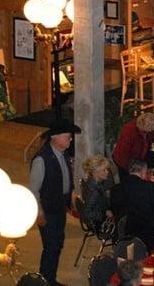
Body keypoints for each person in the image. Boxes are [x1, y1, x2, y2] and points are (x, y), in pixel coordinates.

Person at [29, 118, 81, 286]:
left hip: (59, 208)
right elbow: (34, 190)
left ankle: (50, 279)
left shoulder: (63, 155)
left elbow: (65, 179)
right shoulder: (41, 160)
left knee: (57, 245)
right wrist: (39, 213)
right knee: (51, 247)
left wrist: (69, 199)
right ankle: (46, 281)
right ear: (56, 138)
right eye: (68, 136)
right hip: (48, 211)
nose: (70, 139)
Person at [109, 159, 154, 251]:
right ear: (143, 172)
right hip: (149, 233)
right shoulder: (149, 187)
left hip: (126, 231)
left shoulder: (116, 190)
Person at [111, 112, 154, 178]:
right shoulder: (129, 131)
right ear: (146, 126)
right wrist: (131, 169)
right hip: (124, 162)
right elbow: (123, 154)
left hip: (138, 159)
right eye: (153, 126)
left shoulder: (145, 128)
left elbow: (150, 136)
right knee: (128, 182)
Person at [80, 156, 113, 230]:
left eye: (107, 169)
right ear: (95, 172)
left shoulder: (92, 182)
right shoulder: (94, 191)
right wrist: (104, 213)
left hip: (100, 216)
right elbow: (87, 213)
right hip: (99, 223)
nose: (107, 172)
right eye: (104, 170)